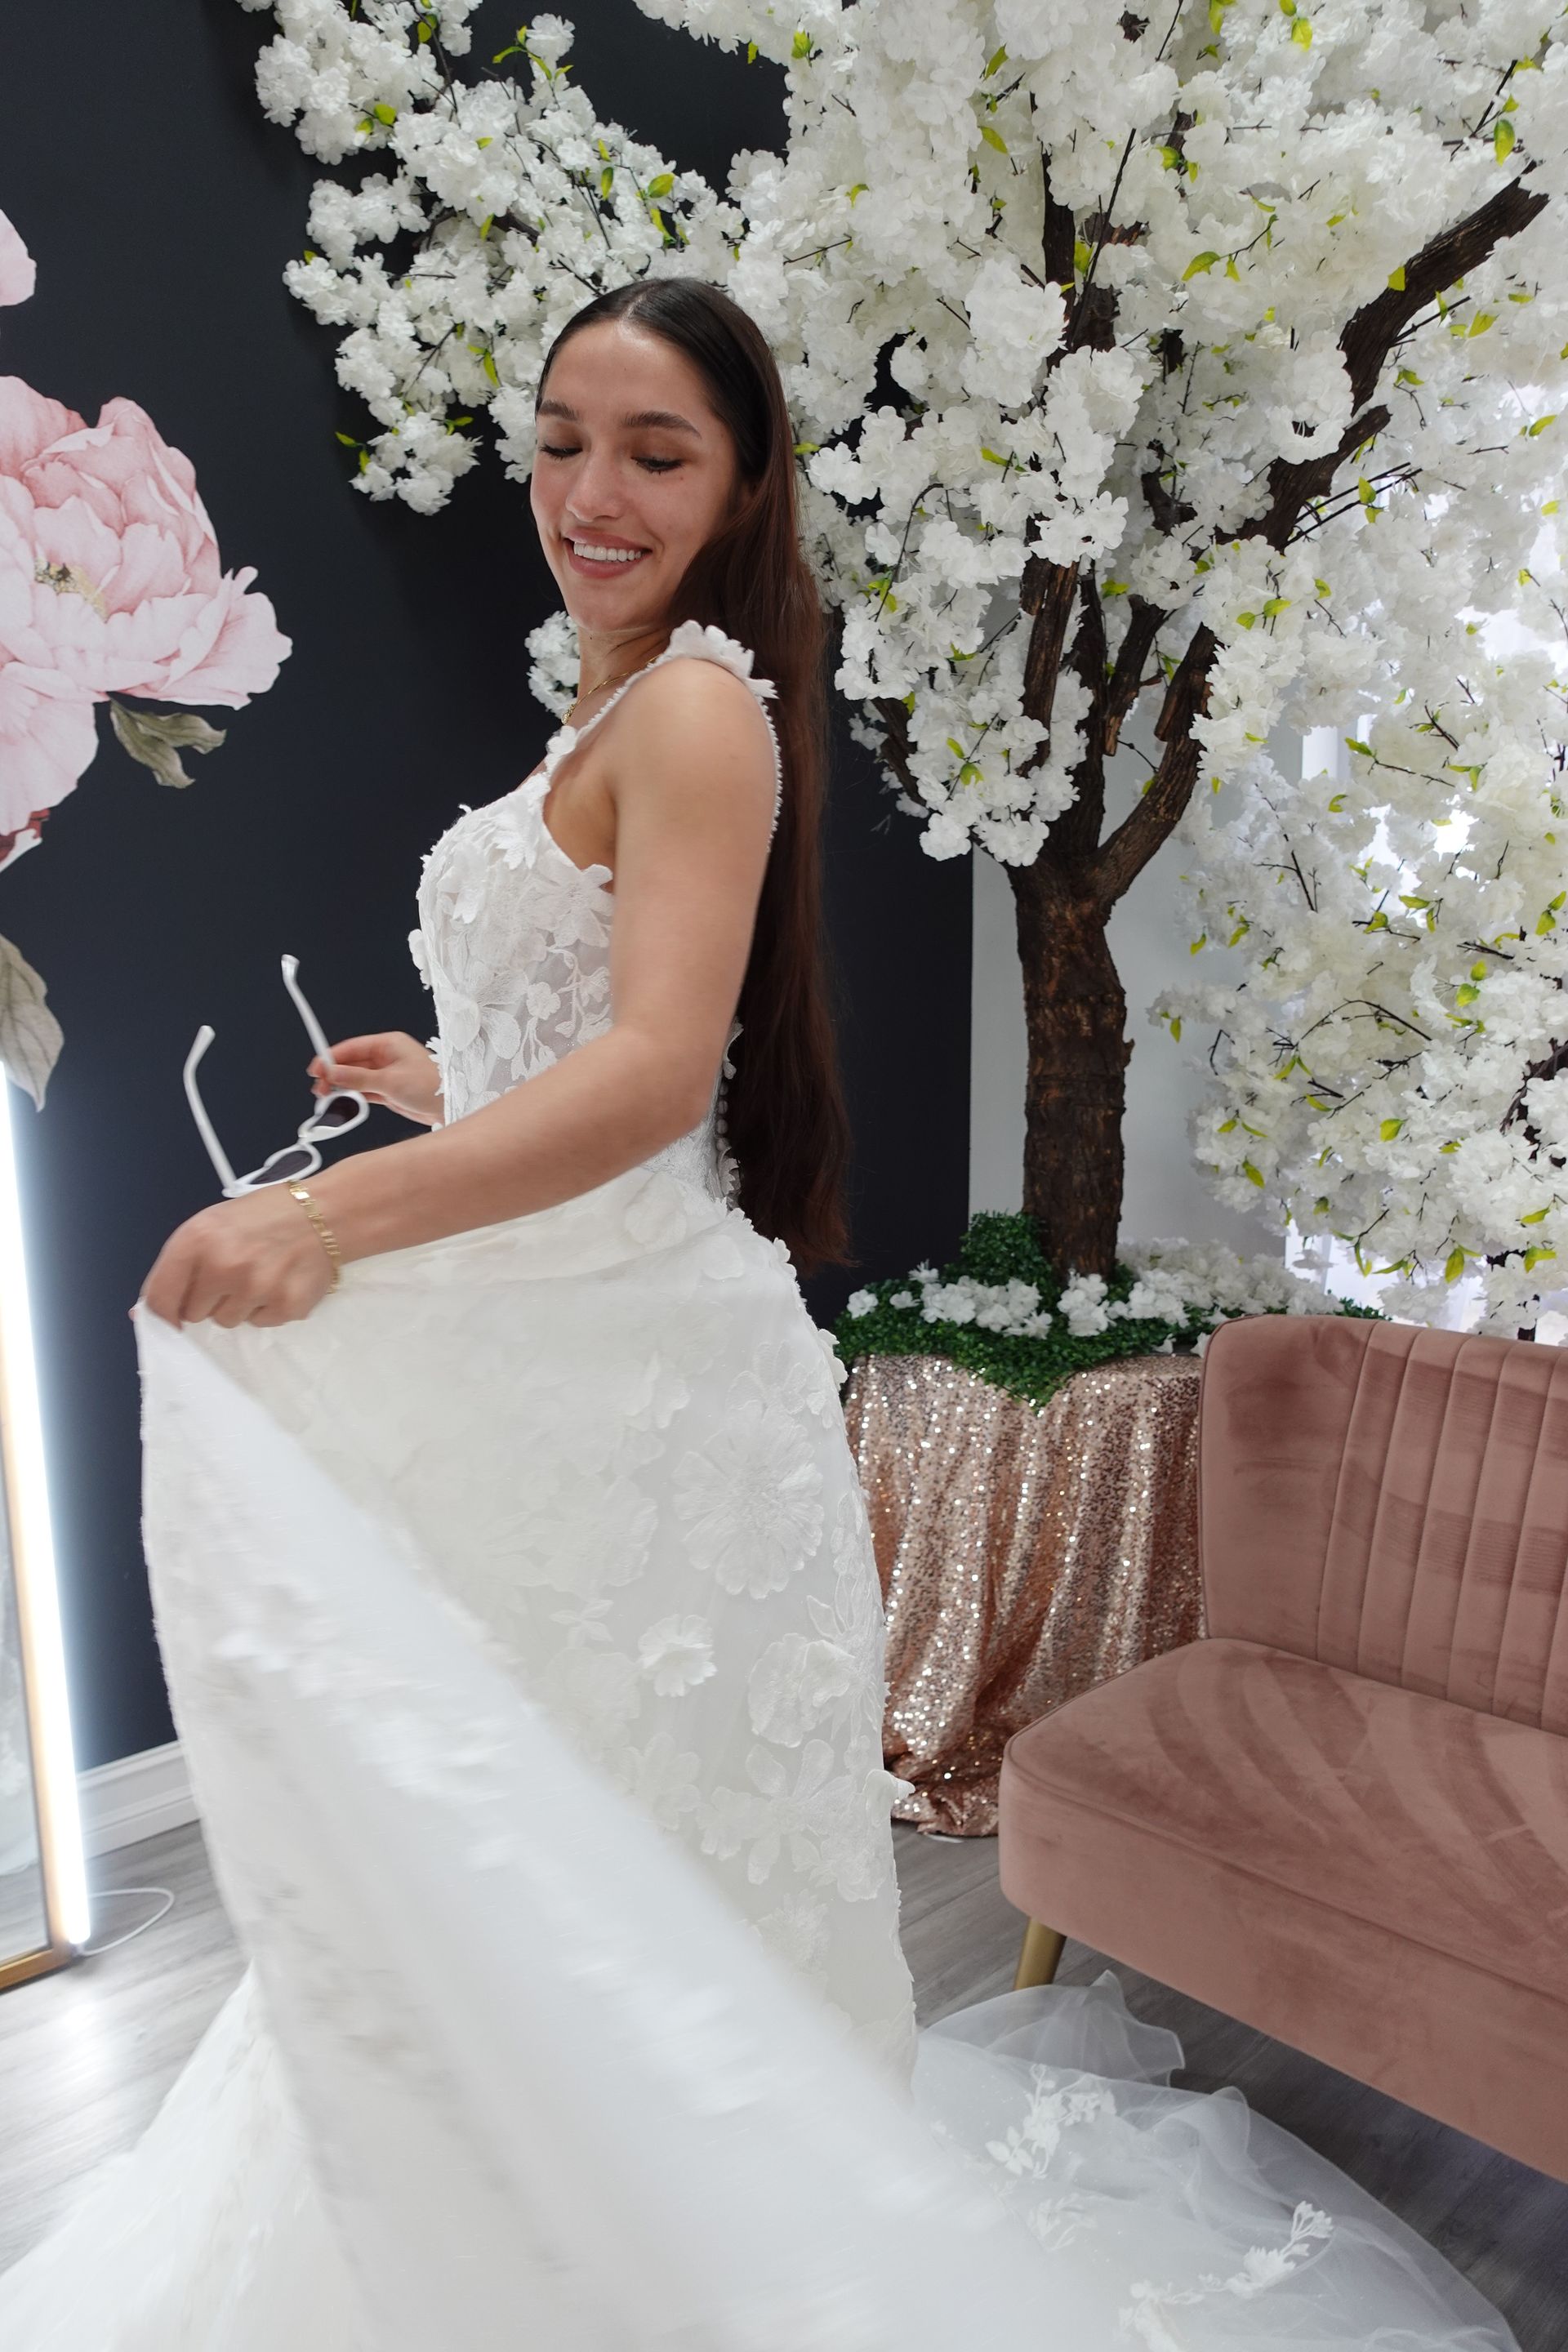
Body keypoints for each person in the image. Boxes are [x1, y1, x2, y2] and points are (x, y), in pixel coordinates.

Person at [0, 280, 1519, 2350]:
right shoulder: (627, 704)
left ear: (741, 484)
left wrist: (344, 1224)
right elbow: (627, 1056)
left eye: (656, 451)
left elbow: (650, 1076)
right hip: (578, 1348)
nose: (591, 491)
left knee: (601, 1859)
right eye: (560, 440)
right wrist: (454, 1080)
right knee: (542, 1856)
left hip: (630, 1383)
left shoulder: (698, 707)